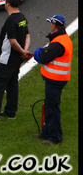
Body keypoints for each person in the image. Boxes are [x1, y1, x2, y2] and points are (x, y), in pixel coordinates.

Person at [28, 15, 72, 145]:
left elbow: (43, 57)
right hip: (57, 79)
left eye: (51, 24)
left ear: (54, 25)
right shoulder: (63, 38)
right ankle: (46, 132)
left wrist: (39, 52)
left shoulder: (58, 43)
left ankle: (55, 138)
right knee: (48, 106)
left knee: (52, 108)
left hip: (55, 80)